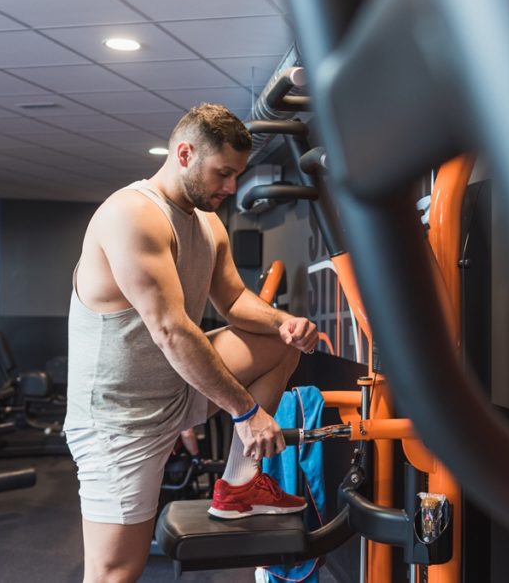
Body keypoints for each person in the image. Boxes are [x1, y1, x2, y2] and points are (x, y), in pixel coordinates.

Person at [65, 103, 319, 583]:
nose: (230, 188)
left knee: (281, 345)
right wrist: (246, 413)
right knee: (116, 570)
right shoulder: (133, 215)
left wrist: (285, 322)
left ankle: (239, 488)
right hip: (120, 422)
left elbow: (235, 300)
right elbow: (172, 330)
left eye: (237, 175)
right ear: (184, 153)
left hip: (177, 390)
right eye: (223, 173)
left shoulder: (207, 223)